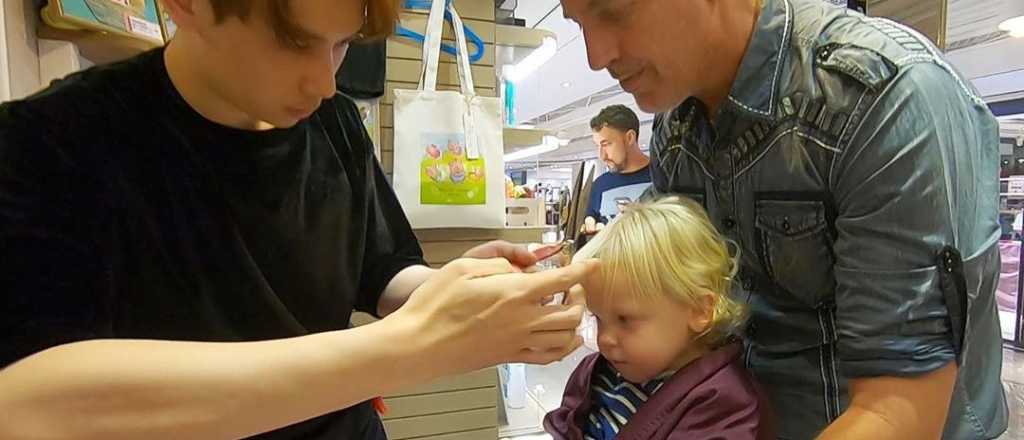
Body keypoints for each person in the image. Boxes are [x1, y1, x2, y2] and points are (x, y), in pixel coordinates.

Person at [0, 0, 595, 438]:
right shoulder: (51, 143)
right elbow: (27, 399)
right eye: (294, 42)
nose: (325, 82)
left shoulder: (334, 123)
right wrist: (410, 346)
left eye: (341, 45)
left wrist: (453, 293)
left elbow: (382, 268)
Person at [560, 0, 1008, 438]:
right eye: (579, 24)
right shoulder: (677, 130)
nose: (596, 56)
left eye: (612, 10)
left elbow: (900, 410)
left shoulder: (881, 99)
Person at [545, 197, 769, 440]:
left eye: (625, 319)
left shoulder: (724, 407)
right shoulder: (598, 373)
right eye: (598, 318)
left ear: (699, 310)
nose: (605, 339)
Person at [582, 105, 652, 233]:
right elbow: (590, 217)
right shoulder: (599, 185)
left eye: (606, 144)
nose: (602, 156)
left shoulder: (664, 177)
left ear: (630, 138)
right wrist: (589, 223)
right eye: (598, 146)